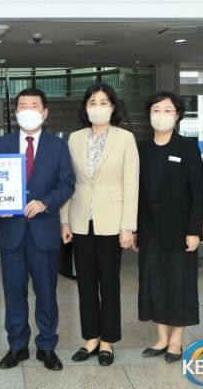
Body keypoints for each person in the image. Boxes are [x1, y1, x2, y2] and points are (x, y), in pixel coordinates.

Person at [0, 88, 75, 371]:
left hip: (44, 232)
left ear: (45, 112)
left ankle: (47, 346)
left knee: (46, 293)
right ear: (16, 112)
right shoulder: (1, 145)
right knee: (13, 293)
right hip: (11, 233)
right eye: (23, 106)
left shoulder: (58, 146)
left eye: (34, 105)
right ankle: (17, 346)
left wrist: (45, 203)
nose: (28, 110)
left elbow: (67, 183)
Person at [60, 83, 139, 367]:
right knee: (85, 283)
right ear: (86, 108)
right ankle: (90, 338)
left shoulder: (125, 138)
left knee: (109, 282)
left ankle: (108, 340)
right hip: (81, 219)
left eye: (103, 102)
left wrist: (128, 226)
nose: (97, 107)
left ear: (113, 107)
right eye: (92, 102)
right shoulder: (75, 138)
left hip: (112, 221)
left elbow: (131, 184)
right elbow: (68, 181)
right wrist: (64, 220)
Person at [135, 91, 203, 363]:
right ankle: (162, 337)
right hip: (149, 229)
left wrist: (194, 230)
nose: (161, 116)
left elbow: (198, 192)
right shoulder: (141, 148)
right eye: (156, 110)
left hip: (180, 229)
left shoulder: (187, 148)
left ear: (177, 116)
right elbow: (136, 192)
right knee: (153, 282)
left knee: (179, 283)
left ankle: (177, 340)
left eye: (167, 111)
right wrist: (135, 229)